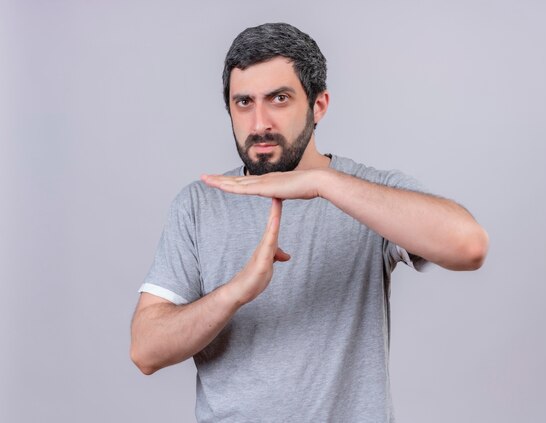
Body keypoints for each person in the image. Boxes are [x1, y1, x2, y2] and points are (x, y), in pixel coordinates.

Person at [130, 22, 489, 422]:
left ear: (318, 105)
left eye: (279, 99)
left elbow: (469, 246)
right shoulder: (198, 205)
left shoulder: (365, 191)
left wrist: (321, 183)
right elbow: (146, 351)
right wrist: (236, 292)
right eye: (243, 102)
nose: (259, 123)